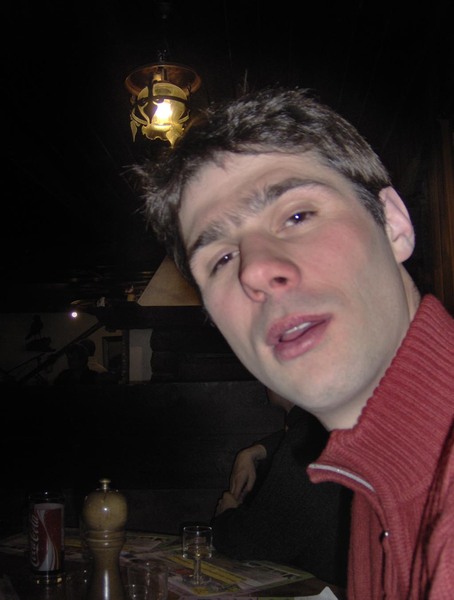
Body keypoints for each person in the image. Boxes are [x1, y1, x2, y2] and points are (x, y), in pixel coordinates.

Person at [133, 87, 454, 599]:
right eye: (221, 259)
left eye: (297, 216)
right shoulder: (367, 472)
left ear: (393, 224)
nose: (256, 270)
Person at [212, 390, 352, 587]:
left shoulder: (308, 441)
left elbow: (257, 540)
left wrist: (226, 515)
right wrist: (255, 451)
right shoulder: (328, 419)